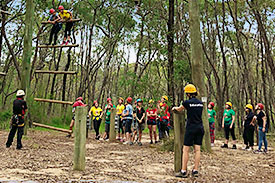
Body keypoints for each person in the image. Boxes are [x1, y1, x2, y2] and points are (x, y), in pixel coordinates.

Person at [173, 84, 204, 178]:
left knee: (186, 149)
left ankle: (183, 171)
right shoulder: (200, 103)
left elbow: (179, 109)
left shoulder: (187, 103)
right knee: (197, 150)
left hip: (191, 128)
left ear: (188, 94)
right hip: (200, 127)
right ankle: (195, 170)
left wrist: (174, 108)